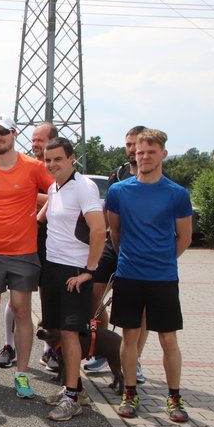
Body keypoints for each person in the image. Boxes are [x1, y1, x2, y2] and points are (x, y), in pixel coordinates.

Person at [107, 128, 193, 423]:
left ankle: (174, 397)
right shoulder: (119, 191)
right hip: (129, 275)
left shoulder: (177, 194)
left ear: (163, 155)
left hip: (163, 278)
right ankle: (129, 393)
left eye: (150, 152)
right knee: (129, 336)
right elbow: (115, 232)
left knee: (168, 338)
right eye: (140, 152)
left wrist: (163, 260)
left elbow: (184, 237)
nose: (144, 157)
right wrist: (129, 259)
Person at [0, 115, 53, 399]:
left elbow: (58, 192)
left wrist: (37, 219)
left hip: (23, 251)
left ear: (14, 134)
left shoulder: (34, 167)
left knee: (21, 309)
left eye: (3, 132)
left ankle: (22, 374)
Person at [36, 137, 106, 421]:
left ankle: (73, 396)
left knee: (69, 333)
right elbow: (40, 220)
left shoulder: (84, 187)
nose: (52, 164)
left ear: (71, 158)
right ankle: (73, 387)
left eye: (57, 159)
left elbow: (99, 231)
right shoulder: (54, 188)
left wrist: (90, 271)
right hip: (53, 267)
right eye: (47, 159)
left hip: (75, 271)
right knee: (54, 330)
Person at [84, 125, 150, 380]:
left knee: (137, 310)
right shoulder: (118, 174)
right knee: (92, 297)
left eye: (137, 145)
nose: (133, 150)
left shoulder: (156, 176)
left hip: (139, 253)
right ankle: (105, 347)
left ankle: (134, 359)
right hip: (112, 246)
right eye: (129, 145)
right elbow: (104, 214)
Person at [0, 121, 60, 372]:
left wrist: (35, 199)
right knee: (16, 294)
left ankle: (49, 349)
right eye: (33, 140)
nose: (35, 144)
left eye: (40, 140)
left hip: (49, 238)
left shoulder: (56, 167)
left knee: (48, 294)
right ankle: (8, 345)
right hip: (22, 236)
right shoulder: (23, 165)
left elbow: (63, 194)